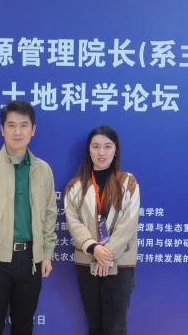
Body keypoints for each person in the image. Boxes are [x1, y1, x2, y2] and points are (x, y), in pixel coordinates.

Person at [0, 100, 58, 335]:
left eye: (24, 125)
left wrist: (46, 254)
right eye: (11, 125)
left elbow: (49, 214)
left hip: (31, 259)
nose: (17, 132)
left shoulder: (43, 170)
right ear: (1, 129)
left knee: (24, 324)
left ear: (33, 130)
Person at [63, 125, 140, 335]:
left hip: (121, 262)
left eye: (107, 146)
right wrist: (94, 249)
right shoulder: (75, 186)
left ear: (116, 150)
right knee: (94, 325)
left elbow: (129, 223)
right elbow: (73, 222)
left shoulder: (128, 182)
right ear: (89, 150)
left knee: (115, 327)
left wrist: (105, 256)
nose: (101, 152)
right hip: (86, 260)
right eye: (96, 146)